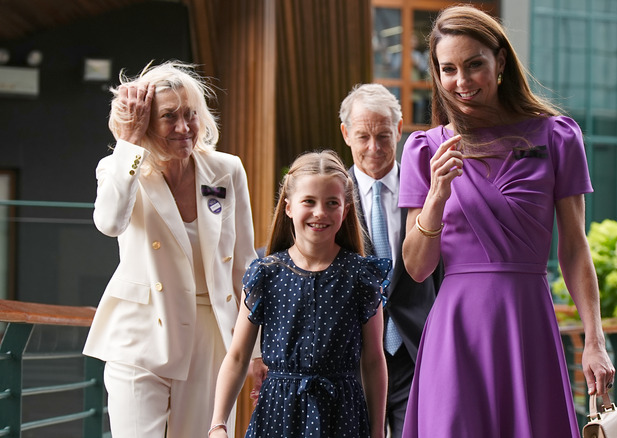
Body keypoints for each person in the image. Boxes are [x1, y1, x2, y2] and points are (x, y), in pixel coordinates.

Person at [398, 5, 616, 437]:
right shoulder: (424, 149)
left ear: (500, 61)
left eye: (474, 64)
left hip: (527, 324)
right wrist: (438, 195)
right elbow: (417, 267)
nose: (461, 82)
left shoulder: (557, 136)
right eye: (449, 69)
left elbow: (574, 248)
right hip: (455, 334)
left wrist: (595, 339)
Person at [82, 60, 256, 437]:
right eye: (169, 116)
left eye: (190, 114)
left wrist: (256, 353)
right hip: (140, 336)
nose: (183, 127)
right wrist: (128, 145)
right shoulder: (120, 168)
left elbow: (244, 265)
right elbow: (110, 222)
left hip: (210, 337)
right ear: (144, 122)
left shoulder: (227, 170)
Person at [209, 150, 389, 438]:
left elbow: (373, 359)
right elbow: (238, 355)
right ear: (289, 206)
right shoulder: (265, 274)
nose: (320, 212)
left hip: (341, 415)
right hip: (277, 414)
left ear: (345, 209)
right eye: (309, 201)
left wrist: (378, 431)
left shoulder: (361, 276)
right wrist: (218, 423)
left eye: (332, 203)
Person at [338, 83, 440, 436]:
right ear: (346, 134)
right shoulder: (332, 201)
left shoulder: (429, 191)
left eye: (383, 135)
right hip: (353, 357)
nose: (374, 148)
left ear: (399, 130)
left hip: (417, 352)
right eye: (363, 136)